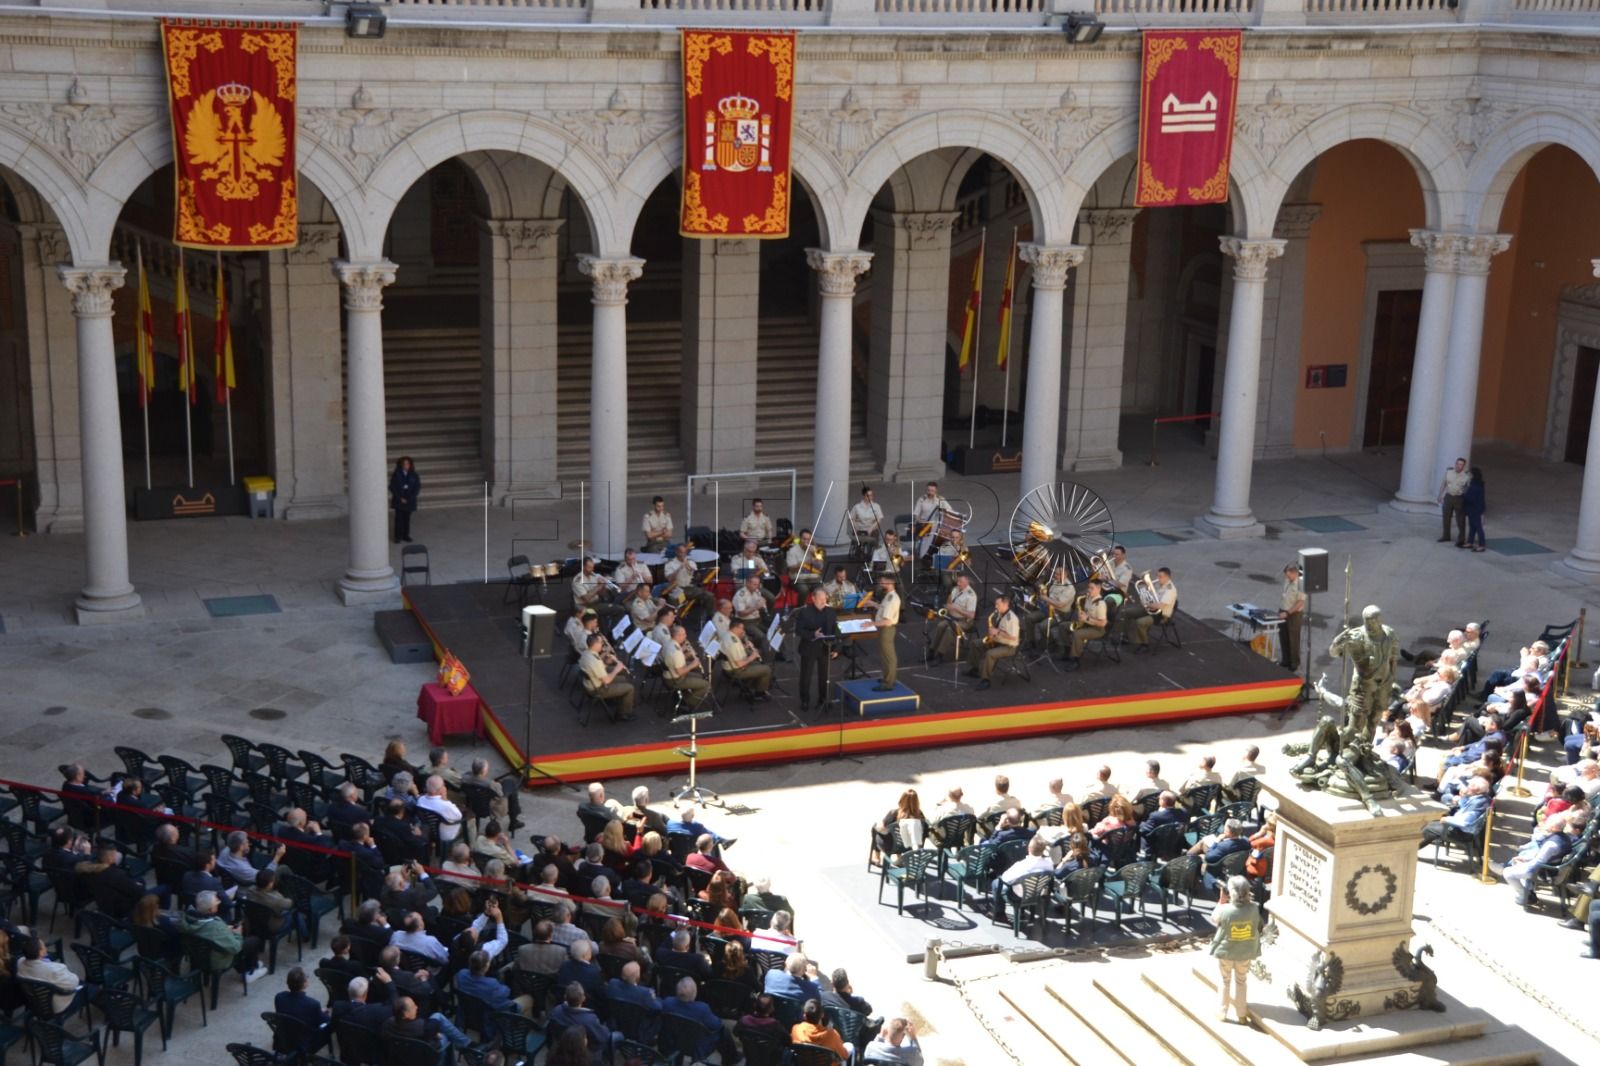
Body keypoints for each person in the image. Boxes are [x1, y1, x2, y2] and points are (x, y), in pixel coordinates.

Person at [1210, 875, 1264, 1024]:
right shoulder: (1253, 908)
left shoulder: (1225, 910)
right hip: (1245, 951)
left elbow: (1214, 918)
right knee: (1241, 981)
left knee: (1225, 980)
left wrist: (1221, 901)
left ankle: (1222, 1012)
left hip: (1226, 950)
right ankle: (1241, 1014)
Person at [791, 586, 839, 714]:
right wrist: (813, 634)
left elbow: (836, 631)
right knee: (806, 676)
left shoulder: (831, 612)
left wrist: (836, 648)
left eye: (825, 599)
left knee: (824, 676)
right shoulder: (805, 612)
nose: (823, 601)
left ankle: (822, 699)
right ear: (813, 598)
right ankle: (805, 700)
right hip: (809, 648)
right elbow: (799, 630)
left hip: (825, 648)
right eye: (820, 599)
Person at [986, 836, 1053, 920]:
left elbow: (1005, 878)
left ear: (1028, 849)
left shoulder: (1021, 865)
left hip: (1018, 896)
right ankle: (1021, 911)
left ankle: (999, 913)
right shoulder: (1049, 863)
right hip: (1038, 894)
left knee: (996, 883)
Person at [273, 966, 331, 1054]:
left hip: (283, 1039)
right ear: (304, 984)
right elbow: (325, 1020)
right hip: (304, 1044)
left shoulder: (279, 997)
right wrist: (322, 1013)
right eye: (306, 977)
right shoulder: (312, 1004)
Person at [579, 633, 636, 719]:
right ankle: (623, 714)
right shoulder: (595, 661)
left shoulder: (587, 653)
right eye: (601, 642)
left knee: (623, 679)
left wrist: (606, 662)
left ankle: (622, 702)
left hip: (590, 684)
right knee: (630, 688)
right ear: (595, 644)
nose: (602, 644)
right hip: (599, 689)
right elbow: (606, 681)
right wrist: (616, 669)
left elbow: (597, 669)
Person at [971, 594, 1021, 690]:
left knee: (990, 654)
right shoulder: (1000, 614)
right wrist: (993, 633)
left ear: (1005, 604)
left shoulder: (1012, 619)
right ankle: (974, 669)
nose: (995, 606)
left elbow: (1013, 637)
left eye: (997, 604)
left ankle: (986, 680)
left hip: (1009, 647)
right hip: (998, 641)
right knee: (976, 643)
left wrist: (997, 631)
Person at [1064, 579, 1108, 671]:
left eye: (1092, 588)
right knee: (1063, 626)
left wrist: (1087, 618)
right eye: (1088, 587)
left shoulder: (1100, 604)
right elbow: (1086, 611)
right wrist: (1082, 615)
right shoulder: (1088, 598)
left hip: (1097, 629)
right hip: (1086, 624)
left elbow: (1103, 623)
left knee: (1077, 634)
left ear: (1099, 589)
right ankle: (1066, 652)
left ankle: (1075, 660)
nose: (1089, 590)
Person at [1131, 567, 1178, 651]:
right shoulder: (1158, 585)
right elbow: (1150, 595)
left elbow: (1160, 606)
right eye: (1157, 576)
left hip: (1161, 615)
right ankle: (1126, 637)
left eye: (1160, 577)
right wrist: (1144, 594)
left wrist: (1146, 604)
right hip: (1152, 609)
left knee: (1140, 622)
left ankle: (1144, 644)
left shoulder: (1170, 590)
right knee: (1128, 612)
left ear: (1168, 577)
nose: (1157, 579)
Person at [872, 573, 901, 691]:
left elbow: (887, 620)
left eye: (883, 581)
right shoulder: (889, 595)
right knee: (885, 655)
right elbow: (884, 609)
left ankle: (888, 682)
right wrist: (874, 604)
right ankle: (887, 678)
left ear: (890, 583)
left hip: (886, 629)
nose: (880, 583)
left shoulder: (891, 598)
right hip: (885, 629)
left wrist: (870, 624)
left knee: (889, 657)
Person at [1278, 562, 1307, 673]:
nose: (1287, 577)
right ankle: (1285, 660)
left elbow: (1300, 602)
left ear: (1295, 573)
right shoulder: (1288, 580)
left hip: (1293, 614)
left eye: (1289, 575)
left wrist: (1288, 613)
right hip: (1283, 611)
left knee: (1293, 639)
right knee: (1283, 637)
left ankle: (1294, 662)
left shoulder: (1300, 584)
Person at [1438, 456, 1469, 547]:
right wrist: (1440, 495)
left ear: (1463, 466)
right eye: (1457, 464)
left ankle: (1461, 539)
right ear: (1455, 464)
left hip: (1459, 498)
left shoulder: (1466, 477)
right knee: (1446, 517)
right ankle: (1446, 536)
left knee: (1460, 519)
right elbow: (1443, 484)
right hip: (1448, 496)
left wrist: (1464, 495)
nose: (1459, 466)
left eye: (1461, 465)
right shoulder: (1448, 472)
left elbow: (1467, 489)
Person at [389, 456, 420, 543]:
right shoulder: (396, 474)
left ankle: (405, 535)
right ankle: (398, 536)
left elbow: (417, 487)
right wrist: (400, 498)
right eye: (404, 464)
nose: (406, 466)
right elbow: (392, 487)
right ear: (401, 465)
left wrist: (410, 498)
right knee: (399, 519)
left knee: (407, 518)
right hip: (399, 501)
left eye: (407, 464)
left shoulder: (414, 475)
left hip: (409, 501)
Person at [1463, 465, 1487, 552]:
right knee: (1472, 526)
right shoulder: (1477, 484)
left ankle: (1481, 544)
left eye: (1470, 474)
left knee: (1477, 527)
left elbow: (1470, 498)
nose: (1468, 475)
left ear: (1473, 475)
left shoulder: (1475, 486)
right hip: (1474, 508)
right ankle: (1470, 541)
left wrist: (1463, 494)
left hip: (1475, 509)